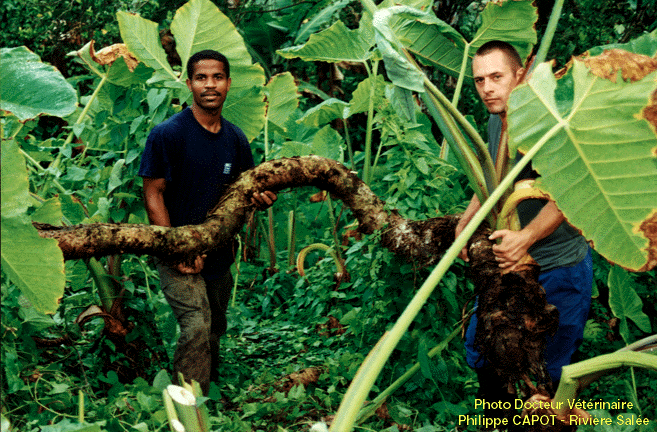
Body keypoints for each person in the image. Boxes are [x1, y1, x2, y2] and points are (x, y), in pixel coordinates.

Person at [456, 40, 592, 422]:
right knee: (483, 353)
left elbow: (573, 190)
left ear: (521, 74)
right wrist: (467, 222)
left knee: (547, 377)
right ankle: (498, 422)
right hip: (510, 267)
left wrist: (526, 237)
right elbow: (491, 178)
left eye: (497, 77)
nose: (488, 88)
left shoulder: (547, 119)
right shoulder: (494, 120)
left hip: (559, 268)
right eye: (480, 80)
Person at [138, 49, 277, 394]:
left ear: (228, 83)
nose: (209, 85)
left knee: (214, 326)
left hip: (217, 251)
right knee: (197, 325)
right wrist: (175, 248)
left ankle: (209, 392)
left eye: (217, 77)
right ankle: (188, 409)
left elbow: (244, 191)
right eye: (201, 78)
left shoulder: (235, 139)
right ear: (189, 84)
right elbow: (153, 193)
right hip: (175, 249)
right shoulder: (167, 135)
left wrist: (260, 198)